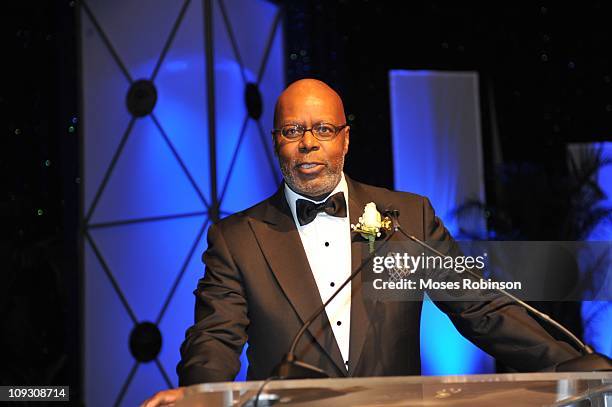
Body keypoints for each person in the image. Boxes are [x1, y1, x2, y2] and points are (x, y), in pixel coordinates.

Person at [140, 79, 580, 407]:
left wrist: (571, 367)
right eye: (292, 131)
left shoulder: (409, 217)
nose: (308, 143)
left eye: (323, 129)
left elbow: (480, 308)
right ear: (276, 143)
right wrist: (198, 395)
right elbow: (215, 337)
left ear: (345, 139)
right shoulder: (236, 237)